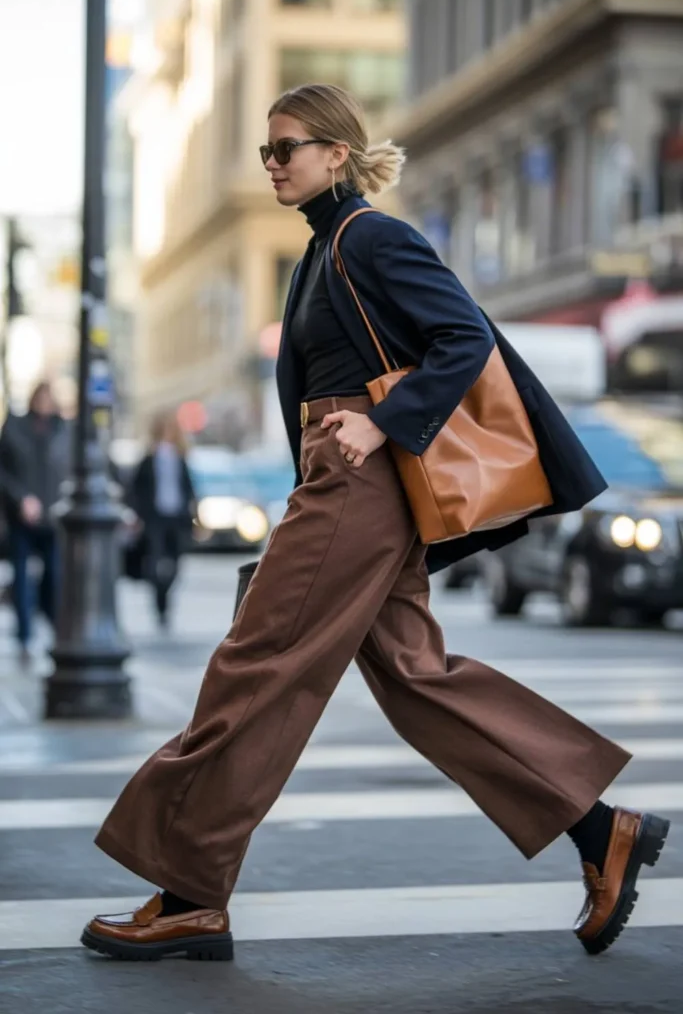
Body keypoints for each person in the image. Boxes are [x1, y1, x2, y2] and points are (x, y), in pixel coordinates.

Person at [81, 84, 669, 963]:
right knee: (414, 677)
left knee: (255, 667)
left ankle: (189, 892)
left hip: (360, 481)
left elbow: (464, 337)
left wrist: (382, 422)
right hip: (344, 479)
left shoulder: (370, 237)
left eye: (288, 148)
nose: (273, 163)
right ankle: (597, 829)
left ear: (337, 154)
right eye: (266, 152)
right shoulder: (317, 255)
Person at [0, 381, 69, 662]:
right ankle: (25, 636)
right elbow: (3, 471)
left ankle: (53, 628)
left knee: (53, 576)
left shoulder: (63, 429)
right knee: (21, 576)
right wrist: (21, 499)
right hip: (22, 517)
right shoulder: (15, 427)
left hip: (53, 518)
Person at [125, 411, 196, 627]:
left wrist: (194, 513)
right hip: (154, 518)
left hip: (177, 517)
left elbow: (188, 488)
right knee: (154, 562)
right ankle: (159, 603)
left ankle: (164, 595)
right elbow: (135, 489)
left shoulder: (180, 457)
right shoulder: (148, 459)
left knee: (175, 564)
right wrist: (137, 515)